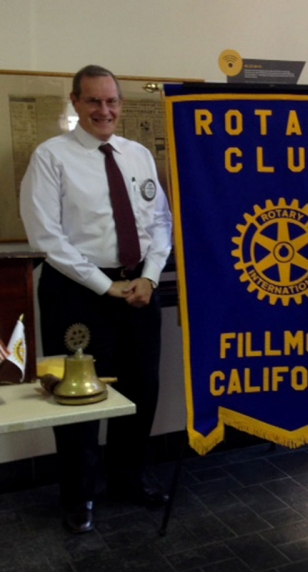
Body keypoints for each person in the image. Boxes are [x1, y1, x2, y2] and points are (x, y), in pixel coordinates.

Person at [20, 65, 173, 533]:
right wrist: (106, 287)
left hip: (139, 289)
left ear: (121, 104)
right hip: (78, 295)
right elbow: (47, 236)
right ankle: (78, 495)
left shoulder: (139, 155)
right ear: (75, 102)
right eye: (93, 101)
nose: (103, 110)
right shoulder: (51, 157)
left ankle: (128, 479)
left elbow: (159, 223)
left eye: (111, 101)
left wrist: (148, 276)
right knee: (78, 399)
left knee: (141, 390)